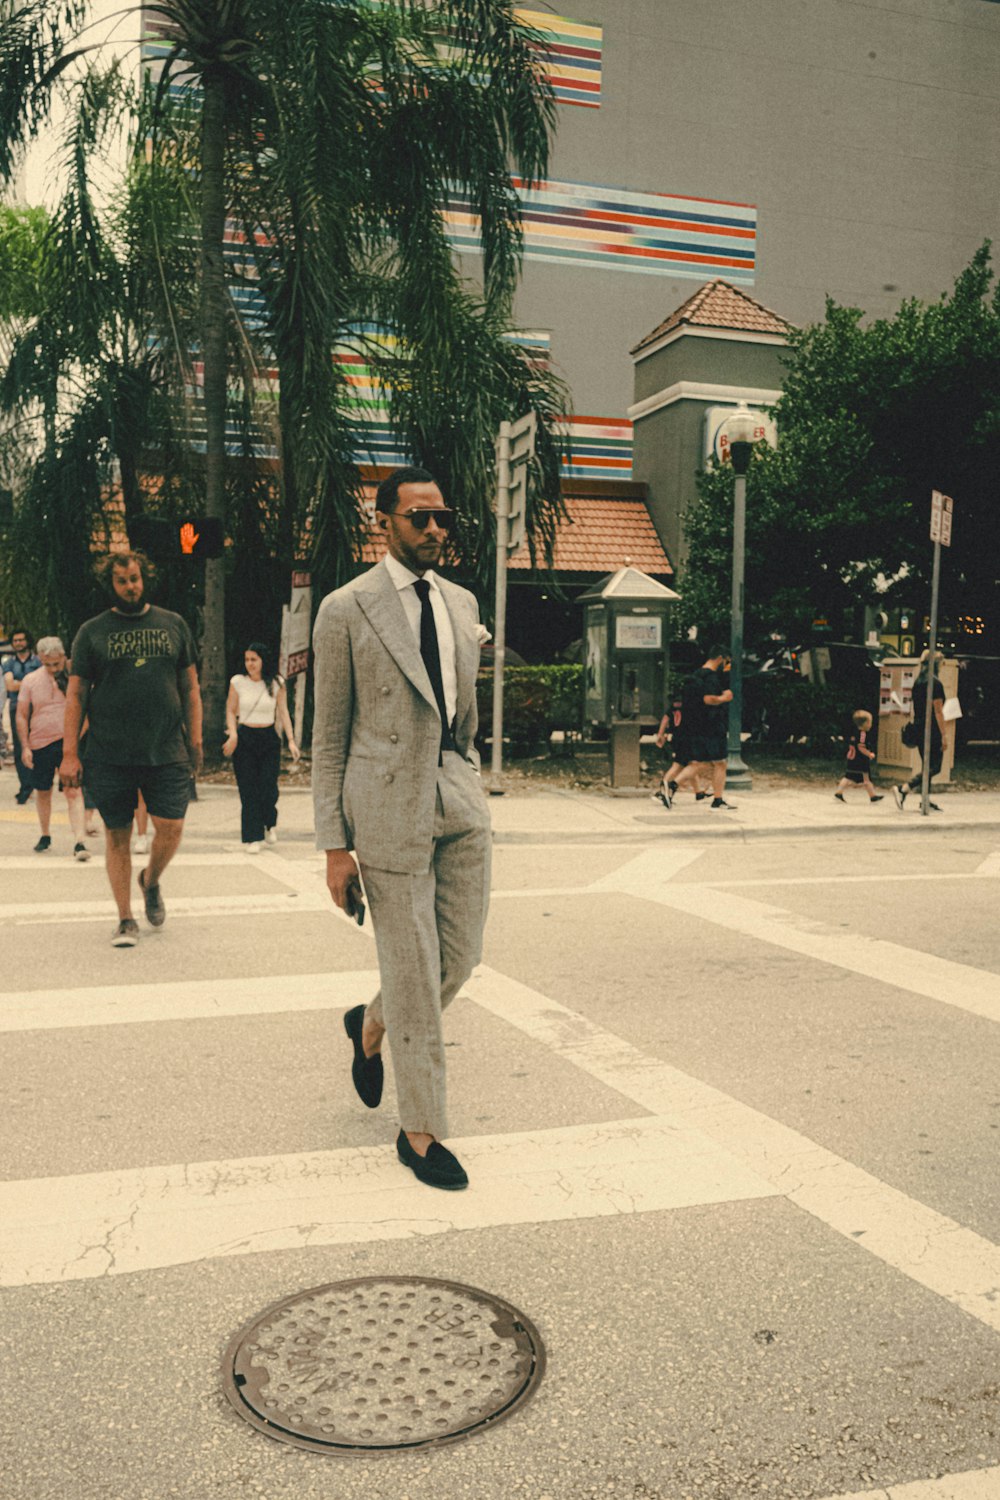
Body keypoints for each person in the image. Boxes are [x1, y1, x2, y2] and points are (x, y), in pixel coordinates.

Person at [312, 465, 491, 1192]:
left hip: (456, 795)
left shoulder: (461, 603)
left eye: (442, 518)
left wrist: (469, 775)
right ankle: (420, 1131)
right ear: (382, 521)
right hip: (384, 808)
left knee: (460, 958)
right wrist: (333, 846)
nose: (434, 530)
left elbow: (465, 715)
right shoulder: (345, 609)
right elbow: (328, 738)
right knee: (415, 972)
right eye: (419, 517)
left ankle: (369, 1027)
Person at [59, 551, 203, 948]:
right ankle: (125, 918)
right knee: (117, 835)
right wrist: (70, 753)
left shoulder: (173, 624)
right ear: (112, 585)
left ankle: (150, 880)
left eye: (135, 578)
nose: (131, 586)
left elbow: (190, 686)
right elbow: (76, 695)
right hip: (109, 752)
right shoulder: (92, 632)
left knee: (172, 827)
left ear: (145, 578)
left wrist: (195, 739)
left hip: (167, 748)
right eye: (122, 581)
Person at [16, 637, 90, 858]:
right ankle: (45, 833)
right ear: (40, 659)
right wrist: (25, 746)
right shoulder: (30, 680)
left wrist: (77, 738)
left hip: (68, 741)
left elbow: (88, 710)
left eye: (56, 664)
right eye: (47, 664)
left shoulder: (75, 678)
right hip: (40, 742)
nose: (52, 669)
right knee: (43, 790)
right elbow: (21, 714)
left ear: (64, 657)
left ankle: (80, 841)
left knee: (73, 789)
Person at [223, 641, 300, 851]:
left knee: (268, 788)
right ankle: (253, 837)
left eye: (254, 659)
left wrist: (291, 741)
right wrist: (233, 734)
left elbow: (283, 712)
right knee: (248, 789)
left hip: (268, 738)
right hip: (245, 737)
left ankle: (269, 822)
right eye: (247, 660)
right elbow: (230, 710)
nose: (250, 664)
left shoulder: (276, 683)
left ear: (263, 660)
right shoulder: (237, 682)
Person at [673, 646, 738, 809]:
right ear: (721, 658)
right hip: (713, 725)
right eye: (727, 661)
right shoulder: (711, 678)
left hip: (698, 724)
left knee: (704, 762)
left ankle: (716, 798)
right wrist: (725, 697)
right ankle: (674, 784)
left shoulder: (696, 675)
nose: (726, 665)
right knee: (717, 763)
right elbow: (709, 699)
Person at [894, 648, 947, 811]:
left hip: (918, 726)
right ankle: (904, 788)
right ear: (937, 664)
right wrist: (944, 735)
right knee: (935, 766)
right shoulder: (935, 683)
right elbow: (937, 711)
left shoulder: (918, 681)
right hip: (931, 728)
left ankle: (925, 799)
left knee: (927, 765)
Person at [3, 628, 42, 803]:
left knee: (38, 744)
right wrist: (30, 682)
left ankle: (37, 782)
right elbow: (10, 686)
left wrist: (21, 683)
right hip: (16, 707)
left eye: (21, 640)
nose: (18, 643)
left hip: (37, 708)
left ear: (28, 641)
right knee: (20, 745)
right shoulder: (8, 663)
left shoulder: (39, 661)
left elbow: (44, 684)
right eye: (15, 640)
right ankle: (25, 786)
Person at [834, 709, 883, 803]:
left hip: (853, 758)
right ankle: (872, 796)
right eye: (869, 723)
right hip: (860, 760)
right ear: (864, 723)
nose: (871, 725)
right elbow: (861, 747)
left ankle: (839, 793)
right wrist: (869, 754)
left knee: (849, 776)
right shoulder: (863, 734)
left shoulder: (854, 733)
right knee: (865, 777)